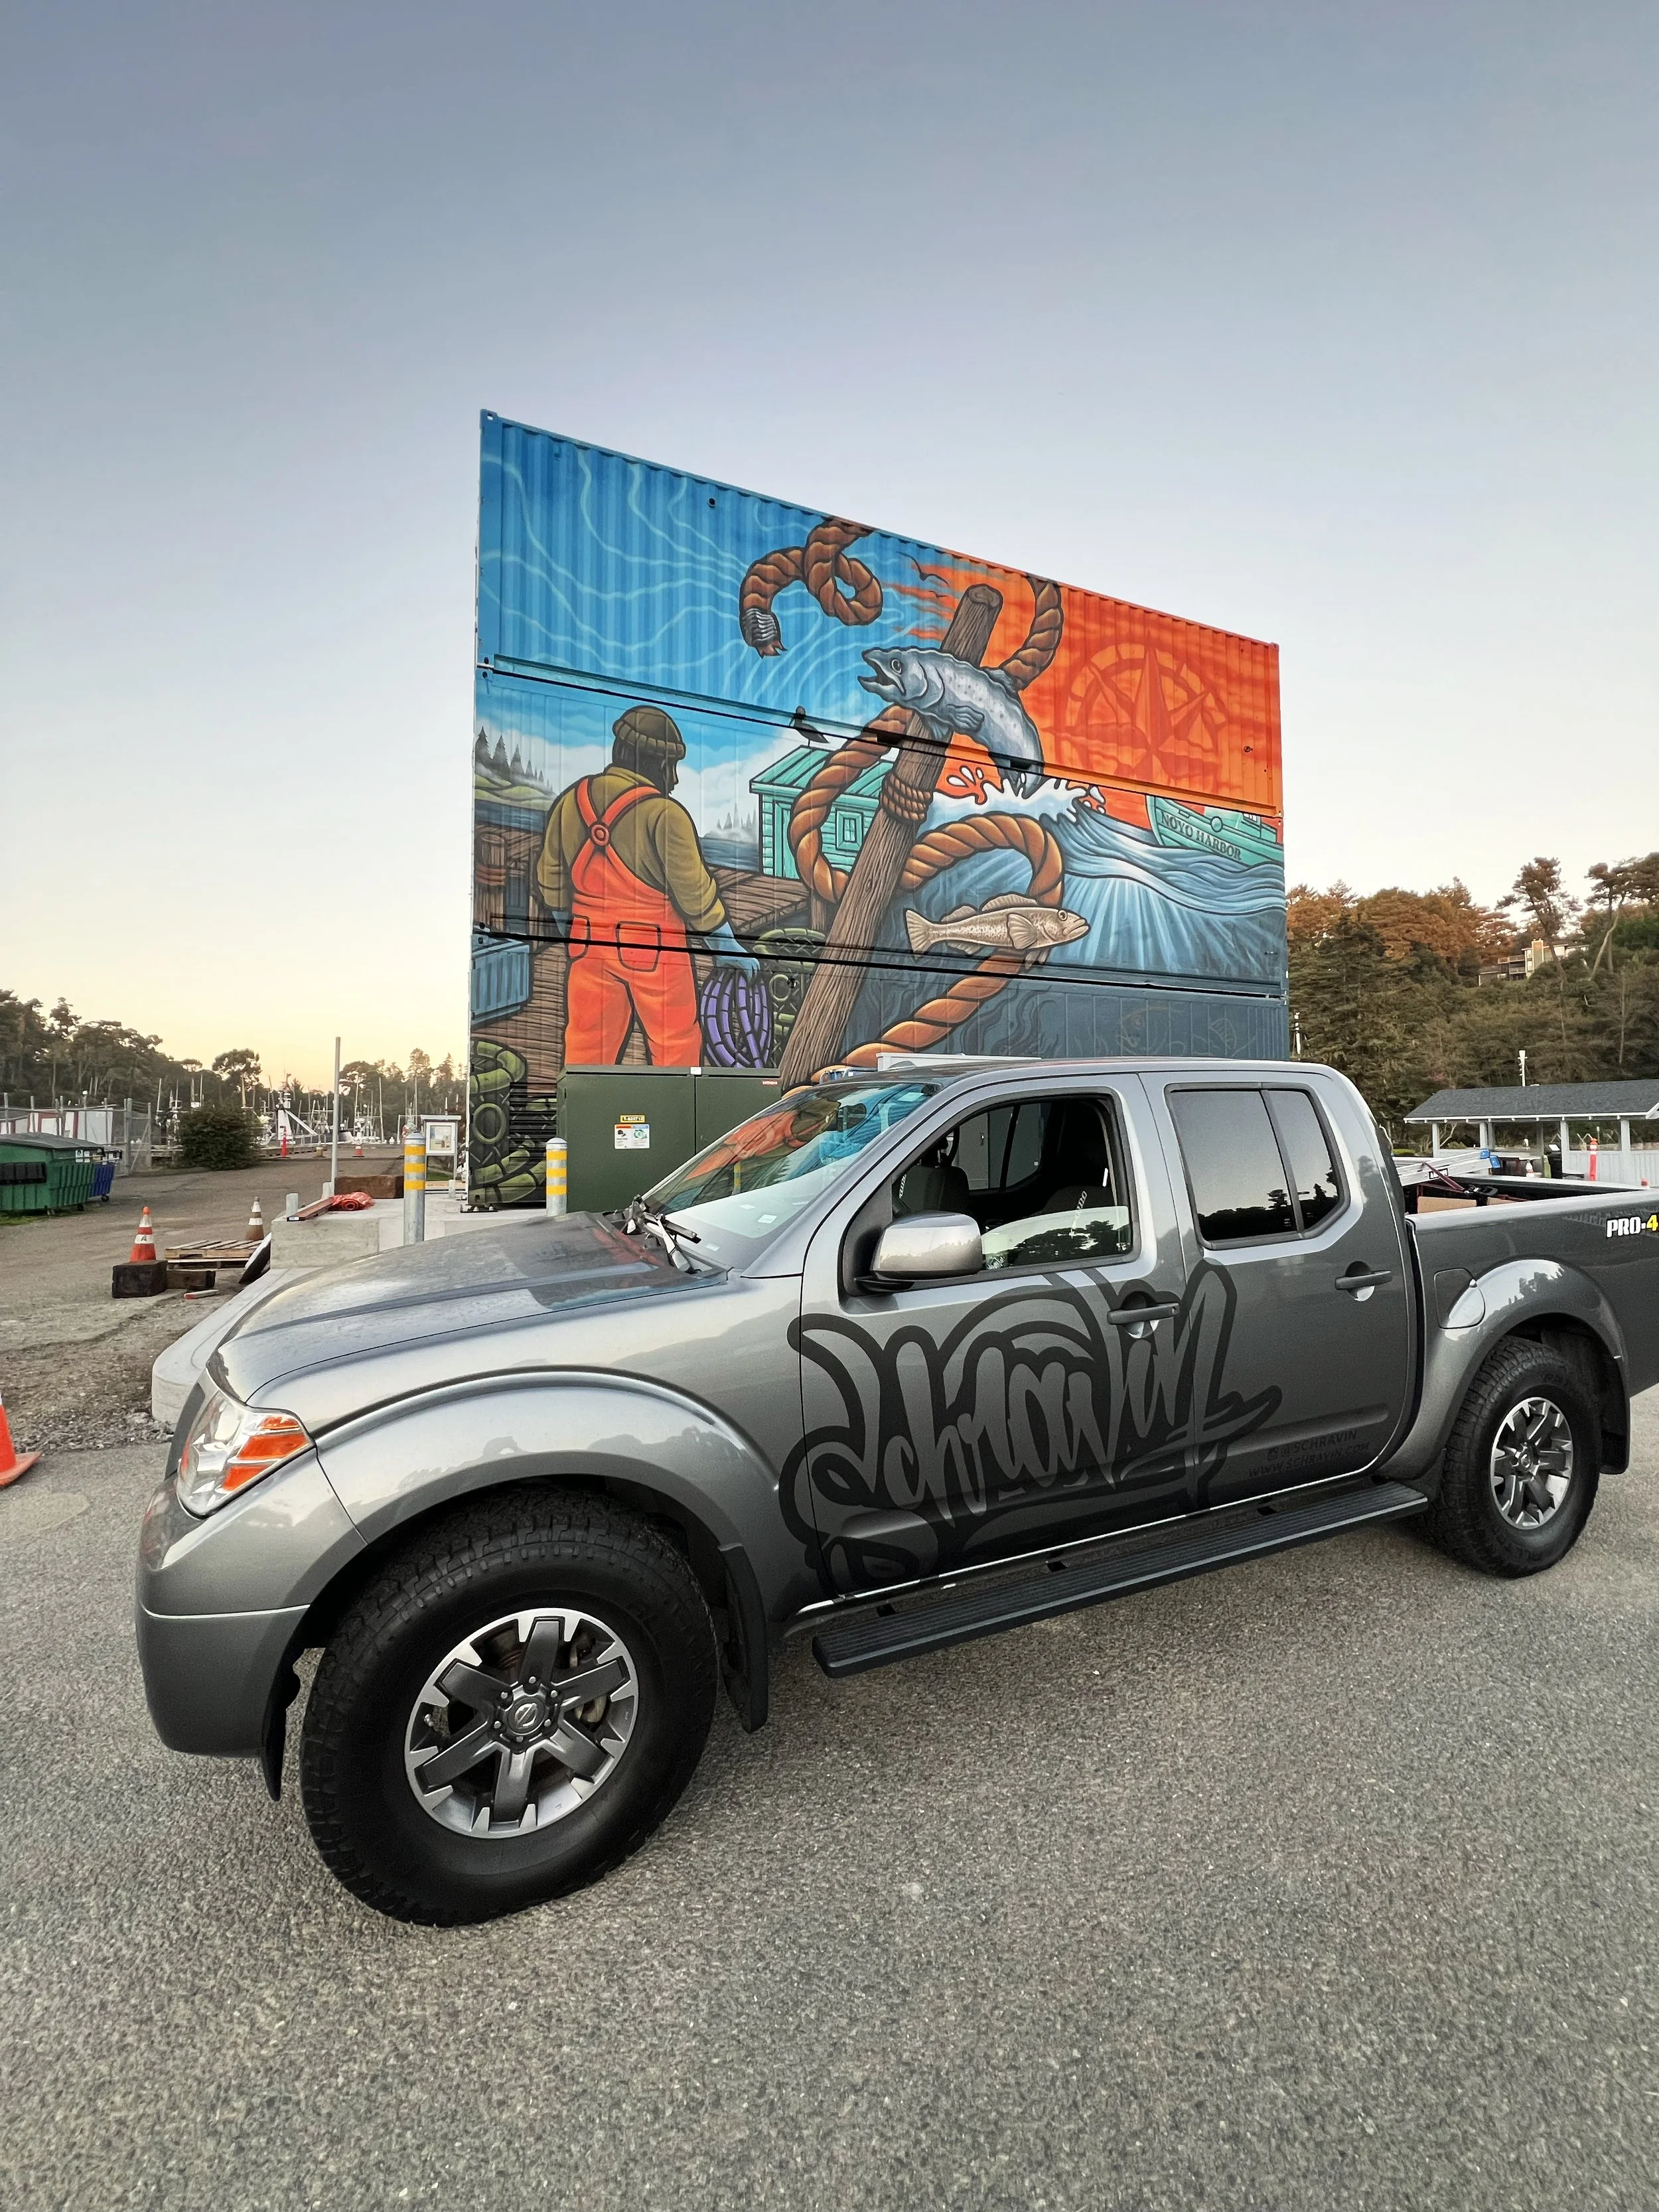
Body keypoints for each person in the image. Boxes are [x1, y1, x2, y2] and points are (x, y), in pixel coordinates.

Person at [537, 705, 757, 1067]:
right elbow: (695, 894)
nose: (674, 778)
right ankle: (673, 1122)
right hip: (655, 953)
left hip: (588, 948)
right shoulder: (665, 815)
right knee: (676, 1047)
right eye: (670, 765)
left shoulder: (570, 803)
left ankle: (587, 1120)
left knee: (587, 1048)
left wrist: (573, 933)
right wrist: (726, 947)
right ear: (653, 762)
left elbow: (551, 881)